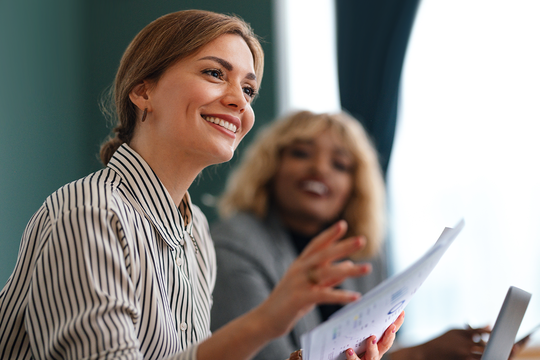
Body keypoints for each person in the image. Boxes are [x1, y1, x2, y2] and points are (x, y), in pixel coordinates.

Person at [0, 10, 403, 360]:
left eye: (248, 90)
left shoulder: (196, 233)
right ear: (143, 91)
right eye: (215, 73)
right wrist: (265, 321)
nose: (240, 102)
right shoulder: (90, 214)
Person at [210, 110, 493, 360]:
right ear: (271, 168)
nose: (320, 168)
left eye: (340, 164)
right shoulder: (234, 246)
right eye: (301, 153)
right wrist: (417, 355)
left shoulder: (364, 251)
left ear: (355, 187)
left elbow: (367, 350)